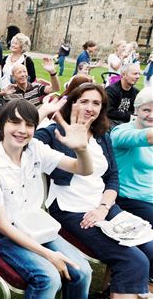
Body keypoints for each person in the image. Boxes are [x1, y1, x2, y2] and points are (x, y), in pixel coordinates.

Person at [34, 83, 153, 298]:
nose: (90, 107)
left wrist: (104, 207)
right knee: (135, 260)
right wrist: (42, 113)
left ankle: (115, 291)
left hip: (104, 206)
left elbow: (112, 177)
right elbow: (22, 142)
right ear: (72, 103)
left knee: (151, 249)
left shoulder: (101, 135)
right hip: (72, 209)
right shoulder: (55, 133)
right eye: (84, 101)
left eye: (96, 103)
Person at [0, 98, 93, 299]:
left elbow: (83, 169)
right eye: (15, 123)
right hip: (3, 235)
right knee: (49, 278)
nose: (22, 130)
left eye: (29, 125)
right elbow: (2, 225)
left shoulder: (35, 148)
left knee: (83, 271)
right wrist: (49, 255)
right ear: (1, 126)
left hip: (35, 225)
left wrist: (81, 149)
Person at [111, 87, 153, 224]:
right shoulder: (121, 132)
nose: (151, 115)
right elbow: (143, 138)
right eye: (146, 110)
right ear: (136, 110)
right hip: (130, 199)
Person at [105, 63, 141, 128]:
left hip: (129, 123)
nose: (138, 77)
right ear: (123, 74)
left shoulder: (136, 93)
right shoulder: (111, 91)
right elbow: (109, 112)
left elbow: (137, 110)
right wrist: (130, 116)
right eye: (135, 74)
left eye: (139, 74)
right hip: (111, 123)